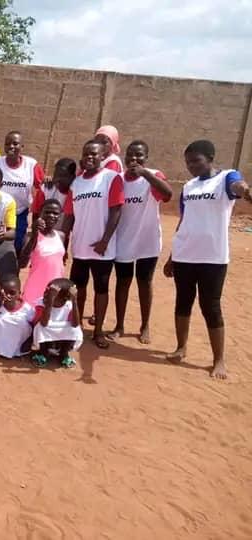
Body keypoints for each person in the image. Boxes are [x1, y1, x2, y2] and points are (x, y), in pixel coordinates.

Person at [164, 139, 251, 379]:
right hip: (184, 255)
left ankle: (218, 360)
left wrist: (246, 191)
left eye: (196, 161)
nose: (191, 166)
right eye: (188, 162)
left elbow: (238, 186)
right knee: (183, 302)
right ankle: (181, 348)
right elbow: (184, 221)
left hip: (213, 257)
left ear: (210, 158)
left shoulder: (226, 178)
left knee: (210, 307)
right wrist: (172, 256)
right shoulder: (188, 186)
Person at [62, 141, 124, 349]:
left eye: (94, 154)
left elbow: (116, 211)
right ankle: (77, 327)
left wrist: (105, 240)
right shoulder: (76, 184)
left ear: (102, 156)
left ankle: (98, 332)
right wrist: (63, 243)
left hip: (102, 249)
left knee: (101, 288)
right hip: (80, 247)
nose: (89, 157)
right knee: (78, 288)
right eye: (86, 154)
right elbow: (69, 216)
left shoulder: (111, 178)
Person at [109, 140, 172, 343]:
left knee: (144, 282)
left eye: (139, 155)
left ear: (146, 157)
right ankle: (119, 325)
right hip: (124, 239)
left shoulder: (153, 176)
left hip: (147, 241)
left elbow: (167, 194)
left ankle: (145, 325)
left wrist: (145, 174)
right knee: (123, 282)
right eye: (130, 154)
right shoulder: (119, 179)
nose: (134, 158)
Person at [0, 131, 45, 252]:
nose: (11, 146)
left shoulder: (31, 165)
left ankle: (15, 263)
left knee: (17, 244)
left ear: (22, 146)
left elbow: (43, 187)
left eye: (15, 144)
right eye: (7, 144)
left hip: (19, 213)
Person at [19, 199, 66, 305]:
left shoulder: (61, 236)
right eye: (47, 212)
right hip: (35, 289)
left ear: (60, 216)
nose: (51, 215)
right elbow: (22, 264)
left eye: (55, 213)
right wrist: (34, 235)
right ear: (40, 213)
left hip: (55, 290)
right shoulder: (30, 236)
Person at [31, 278, 83, 368]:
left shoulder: (69, 305)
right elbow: (43, 323)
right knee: (41, 327)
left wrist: (74, 301)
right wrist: (50, 302)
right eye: (46, 292)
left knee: (76, 329)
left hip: (62, 340)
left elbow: (75, 324)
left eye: (52, 295)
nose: (46, 296)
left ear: (65, 299)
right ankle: (43, 354)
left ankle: (64, 354)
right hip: (46, 341)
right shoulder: (41, 303)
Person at [0, 276, 36, 359]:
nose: (8, 295)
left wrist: (29, 342)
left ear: (19, 293)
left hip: (20, 347)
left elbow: (35, 327)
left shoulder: (27, 309)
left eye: (12, 293)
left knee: (21, 322)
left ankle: (16, 350)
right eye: (4, 293)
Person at [31, 157, 76, 227]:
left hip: (64, 231)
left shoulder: (76, 192)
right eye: (56, 175)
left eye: (63, 176)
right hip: (45, 230)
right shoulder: (46, 188)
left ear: (72, 177)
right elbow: (36, 212)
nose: (58, 179)